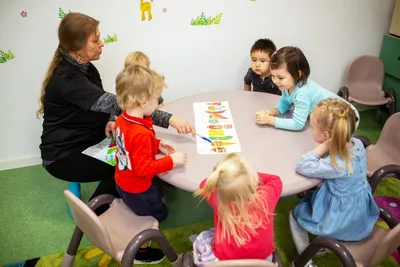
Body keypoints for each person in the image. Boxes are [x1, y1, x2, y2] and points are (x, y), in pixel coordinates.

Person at [37, 12, 194, 204]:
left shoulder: (86, 67)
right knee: (129, 165)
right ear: (78, 48)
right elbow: (121, 104)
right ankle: (96, 212)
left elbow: (103, 104)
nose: (101, 44)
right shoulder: (68, 80)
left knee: (140, 152)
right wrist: (169, 119)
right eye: (95, 40)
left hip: (92, 138)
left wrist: (111, 120)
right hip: (65, 154)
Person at [289, 98, 379, 267]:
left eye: (313, 127)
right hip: (360, 212)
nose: (311, 129)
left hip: (340, 219)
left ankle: (305, 260)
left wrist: (322, 148)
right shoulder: (357, 144)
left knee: (294, 215)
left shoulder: (336, 164)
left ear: (326, 136)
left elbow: (302, 166)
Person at [114, 64, 187, 264]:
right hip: (138, 188)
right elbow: (143, 169)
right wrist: (171, 161)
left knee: (152, 198)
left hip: (122, 180)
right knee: (159, 214)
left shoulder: (122, 120)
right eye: (157, 98)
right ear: (144, 101)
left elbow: (129, 147)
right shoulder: (139, 133)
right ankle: (141, 251)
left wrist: (156, 144)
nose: (159, 102)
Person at [190, 153, 282, 266]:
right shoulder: (266, 197)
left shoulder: (218, 200)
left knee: (205, 237)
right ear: (253, 181)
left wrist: (233, 178)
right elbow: (275, 179)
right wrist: (246, 177)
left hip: (224, 261)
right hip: (262, 261)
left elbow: (205, 183)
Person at [255, 46, 359, 131]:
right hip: (334, 114)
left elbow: (297, 124)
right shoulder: (288, 84)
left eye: (280, 78)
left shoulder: (302, 93)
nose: (275, 81)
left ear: (298, 74)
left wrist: (270, 120)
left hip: (346, 117)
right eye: (273, 76)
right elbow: (286, 101)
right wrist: (273, 111)